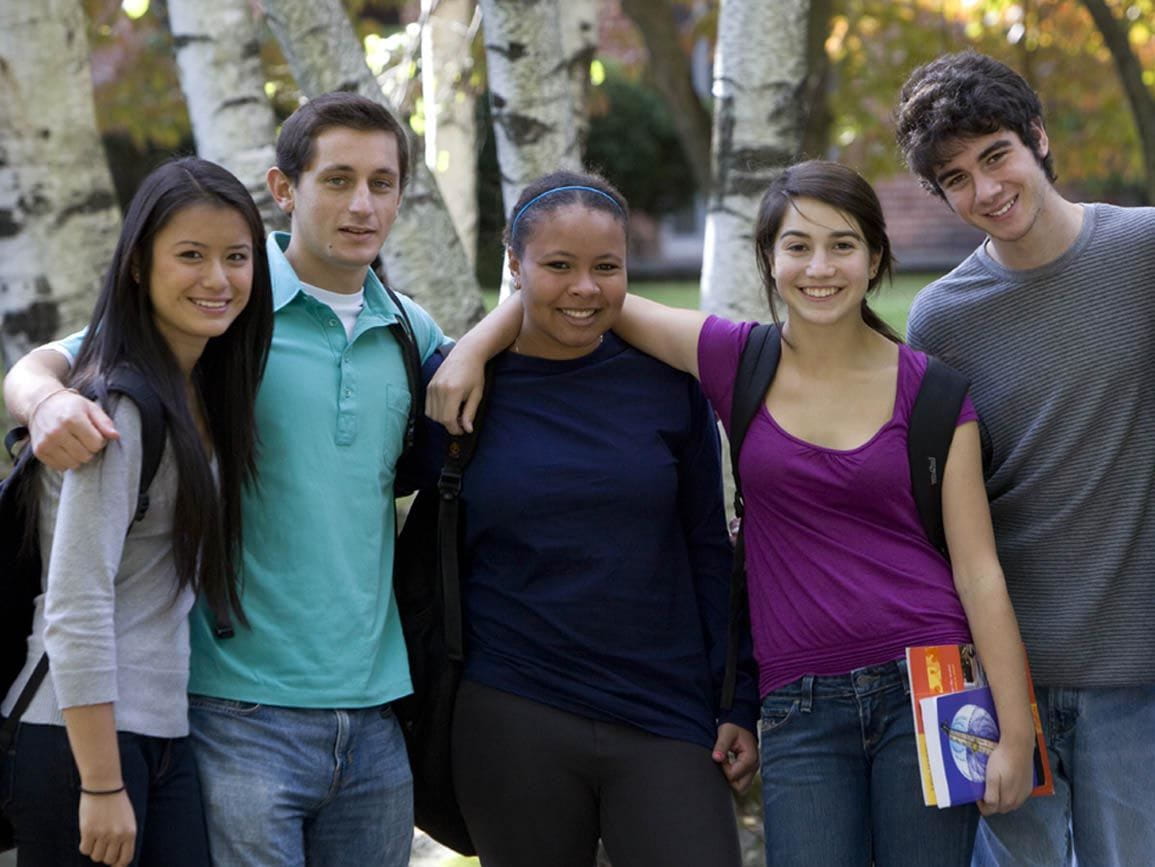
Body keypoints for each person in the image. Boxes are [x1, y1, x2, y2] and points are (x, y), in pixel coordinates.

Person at [429, 160, 1036, 867]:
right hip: (799, 703)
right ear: (768, 262)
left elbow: (978, 570)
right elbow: (582, 293)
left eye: (842, 245)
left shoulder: (932, 391)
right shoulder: (734, 360)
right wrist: (472, 343)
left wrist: (1015, 730)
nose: (820, 267)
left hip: (928, 685)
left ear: (875, 258)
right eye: (797, 246)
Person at [3, 93, 445, 865]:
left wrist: (484, 341)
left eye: (382, 182)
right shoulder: (213, 314)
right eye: (337, 178)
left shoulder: (407, 329)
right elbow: (67, 359)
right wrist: (42, 402)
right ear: (284, 189)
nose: (362, 203)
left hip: (371, 718)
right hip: (230, 712)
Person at [422, 170, 759, 867]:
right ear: (514, 265)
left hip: (665, 708)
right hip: (513, 708)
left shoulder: (665, 384)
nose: (584, 287)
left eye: (605, 267)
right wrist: (479, 343)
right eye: (558, 265)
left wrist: (737, 700)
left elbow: (706, 549)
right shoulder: (458, 385)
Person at [895, 50, 1155, 867]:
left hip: (1135, 672)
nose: (985, 189)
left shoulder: (1143, 252)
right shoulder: (940, 321)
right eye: (955, 178)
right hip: (1002, 680)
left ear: (1036, 136)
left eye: (995, 153)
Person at [0, 157, 273, 867]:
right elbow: (77, 603)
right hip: (79, 737)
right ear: (136, 268)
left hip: (158, 730)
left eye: (236, 257)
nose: (218, 279)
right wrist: (99, 784)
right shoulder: (118, 407)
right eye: (190, 255)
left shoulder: (197, 391)